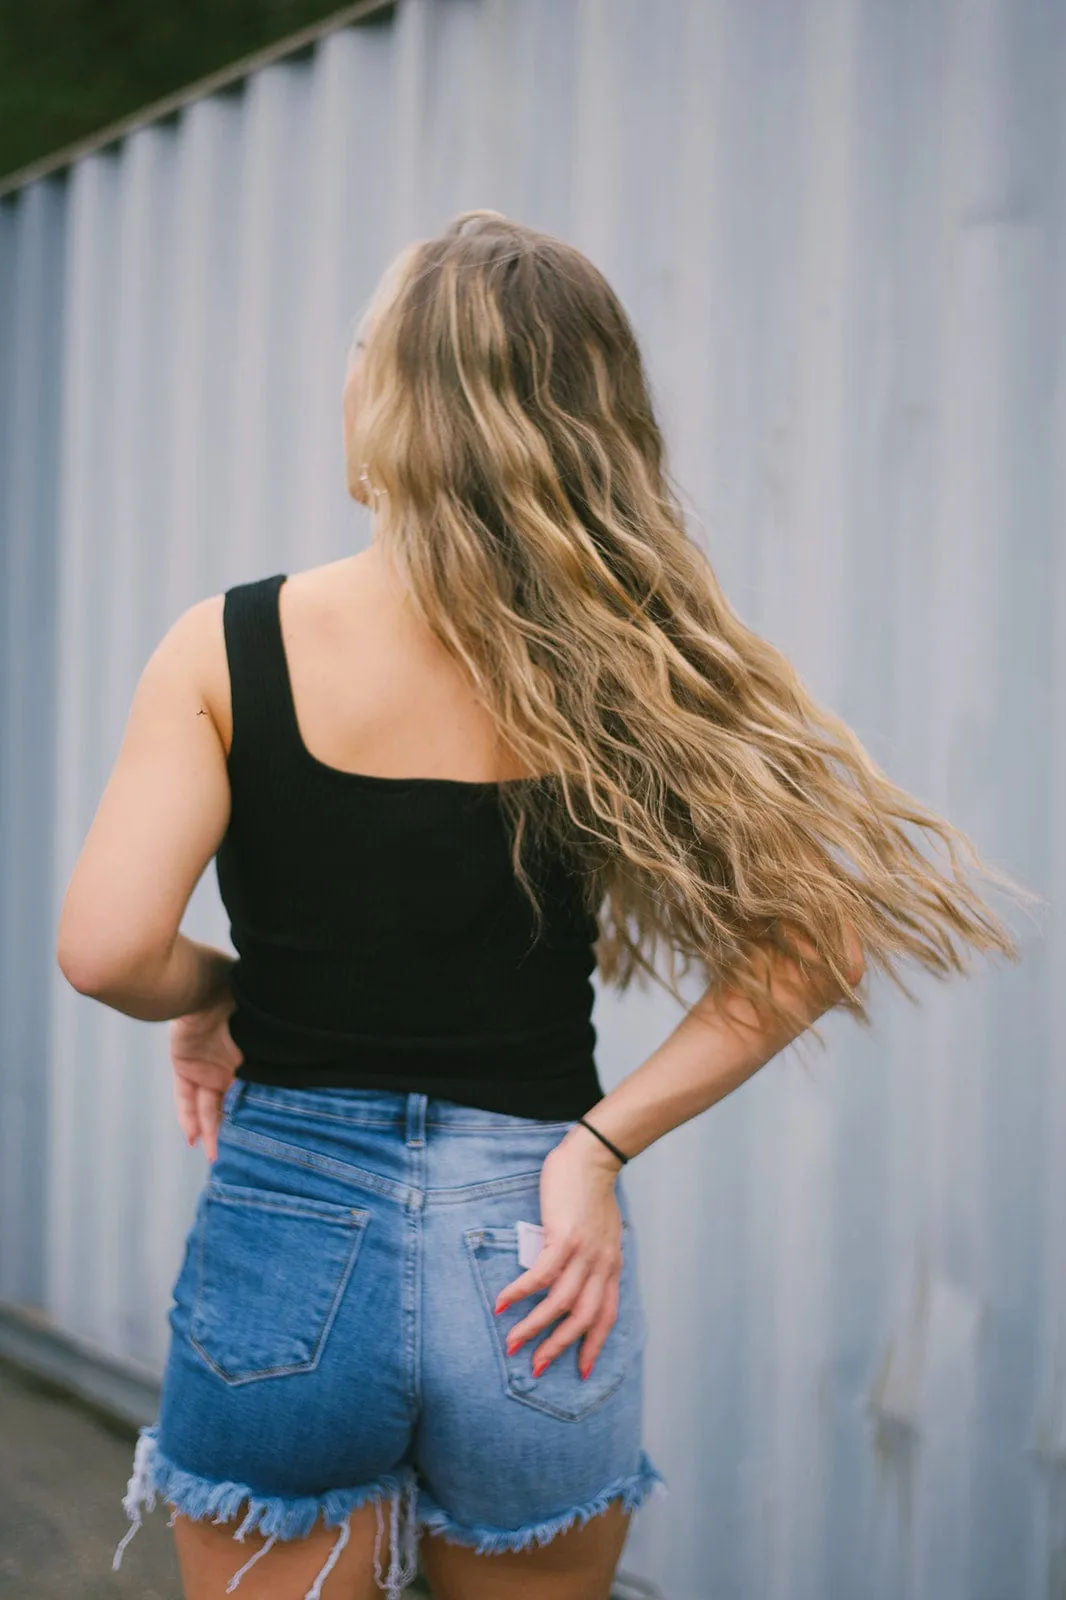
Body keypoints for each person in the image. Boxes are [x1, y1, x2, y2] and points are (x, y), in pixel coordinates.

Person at [56, 210, 1027, 1600]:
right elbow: (816, 939)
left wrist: (220, 998)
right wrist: (595, 1151)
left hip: (286, 1225)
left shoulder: (227, 644)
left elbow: (101, 951)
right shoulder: (637, 663)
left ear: (388, 394)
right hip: (530, 1246)